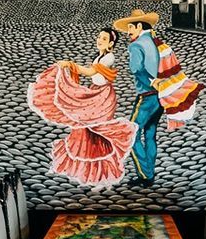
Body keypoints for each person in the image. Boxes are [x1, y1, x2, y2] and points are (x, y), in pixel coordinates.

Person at [28, 27, 138, 188]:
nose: (99, 40)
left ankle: (103, 177)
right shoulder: (100, 56)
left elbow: (91, 71)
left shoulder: (108, 58)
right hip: (95, 92)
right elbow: (93, 73)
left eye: (104, 39)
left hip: (102, 97)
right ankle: (92, 176)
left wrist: (70, 65)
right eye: (99, 36)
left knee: (96, 134)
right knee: (86, 134)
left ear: (111, 44)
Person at [116, 11, 163, 183]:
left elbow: (136, 69)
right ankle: (150, 171)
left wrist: (151, 83)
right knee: (150, 135)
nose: (128, 32)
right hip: (159, 97)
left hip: (146, 96)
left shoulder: (135, 46)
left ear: (139, 26)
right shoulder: (153, 42)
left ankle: (145, 174)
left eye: (130, 27)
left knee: (132, 134)